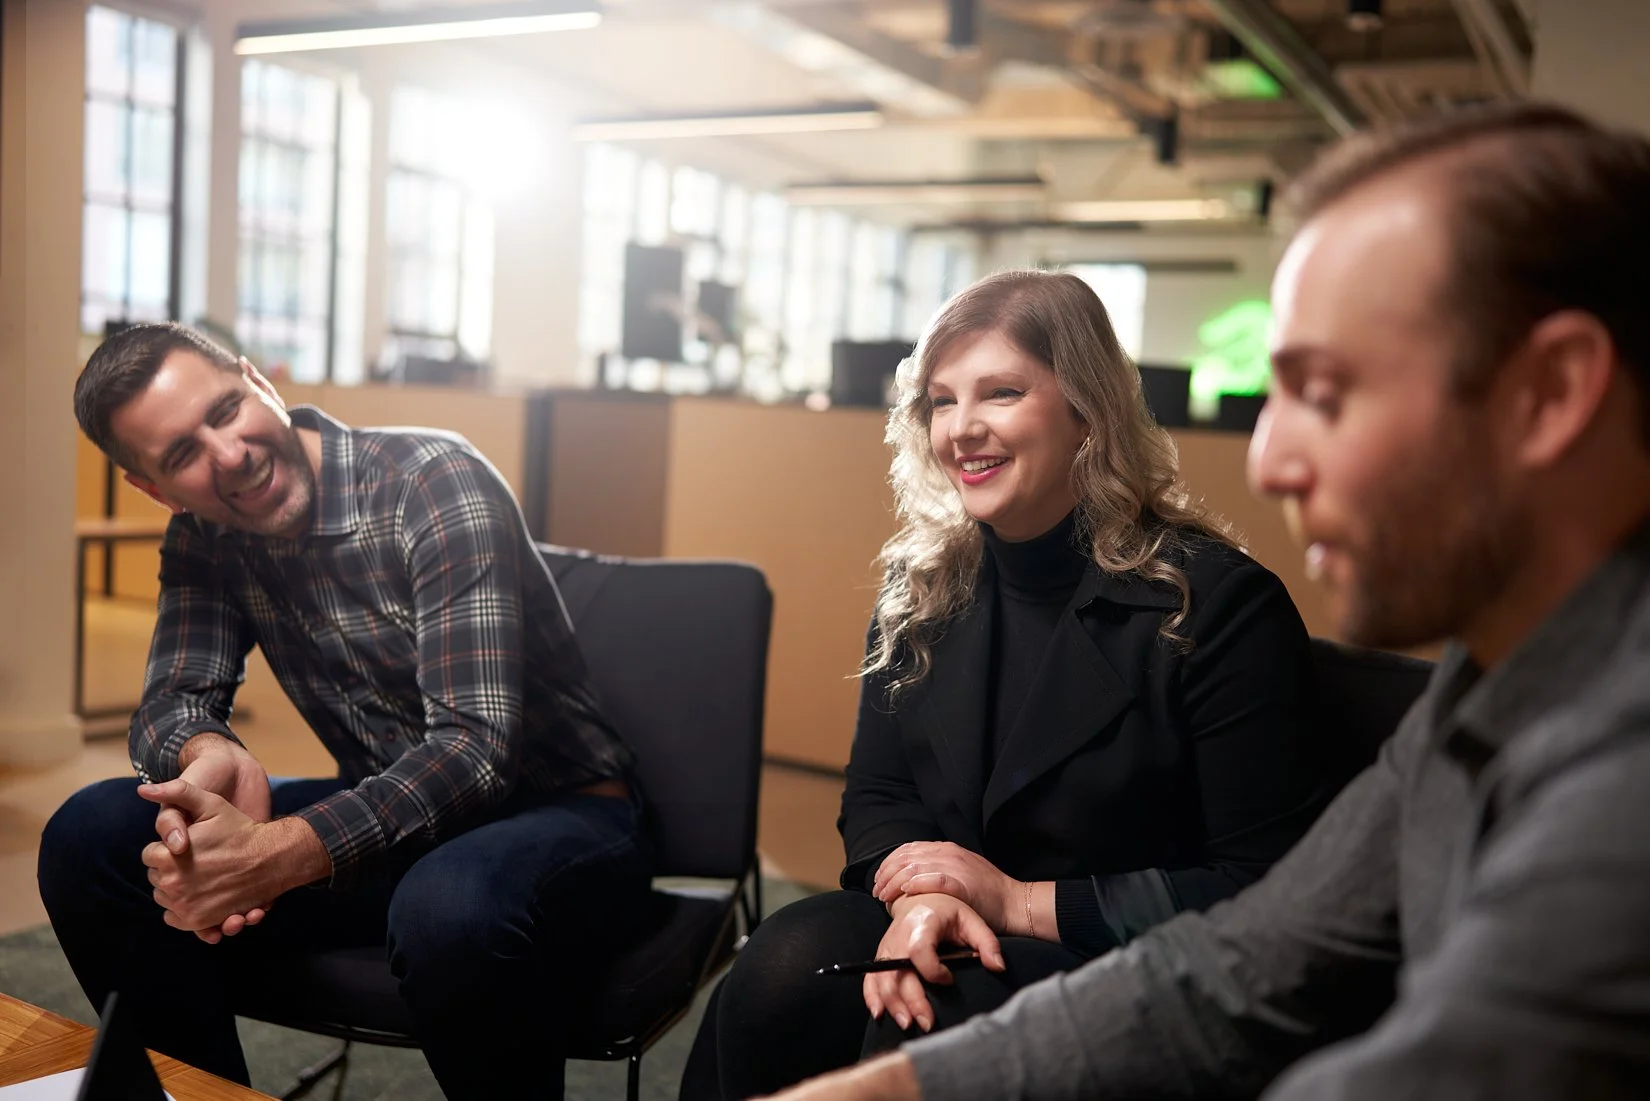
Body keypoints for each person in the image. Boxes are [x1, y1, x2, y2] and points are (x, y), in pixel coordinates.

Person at [760, 102, 1650, 1101]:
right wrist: (894, 1086)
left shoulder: (1623, 775)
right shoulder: (1485, 690)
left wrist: (1008, 911)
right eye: (942, 401)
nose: (1268, 459)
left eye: (1327, 390)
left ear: (1552, 392)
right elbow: (1243, 962)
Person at [680, 270, 1331, 1099]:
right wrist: (922, 897)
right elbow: (879, 794)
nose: (963, 429)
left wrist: (1017, 902)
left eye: (1001, 392)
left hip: (1140, 967)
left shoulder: (1218, 605)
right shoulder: (919, 586)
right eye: (942, 401)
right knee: (780, 963)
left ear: (1087, 410)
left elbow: (1262, 884)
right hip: (960, 929)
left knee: (928, 1008)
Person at [39, 324, 652, 1100]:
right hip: (396, 830)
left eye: (225, 410)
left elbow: (475, 749)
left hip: (568, 817)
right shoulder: (203, 535)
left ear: (260, 382)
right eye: (182, 455)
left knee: (448, 903)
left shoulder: (433, 479)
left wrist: (276, 851)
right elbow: (171, 702)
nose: (228, 454)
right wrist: (206, 752)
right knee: (89, 837)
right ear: (154, 490)